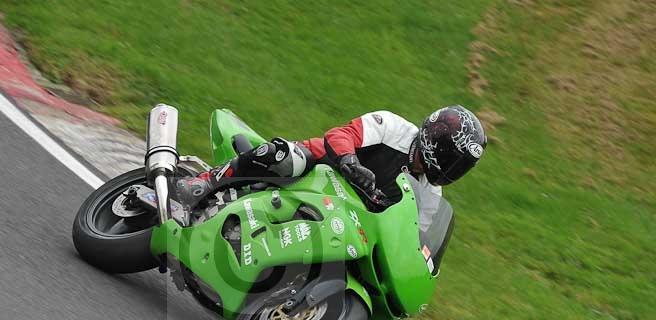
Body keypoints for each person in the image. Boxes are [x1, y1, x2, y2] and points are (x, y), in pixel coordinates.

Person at [174, 105, 486, 205]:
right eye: (453, 157)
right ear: (436, 141)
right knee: (284, 157)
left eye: (462, 166)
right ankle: (205, 182)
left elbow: (415, 238)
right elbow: (341, 134)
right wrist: (350, 161)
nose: (452, 168)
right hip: (318, 169)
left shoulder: (431, 193)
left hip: (343, 213)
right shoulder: (393, 127)